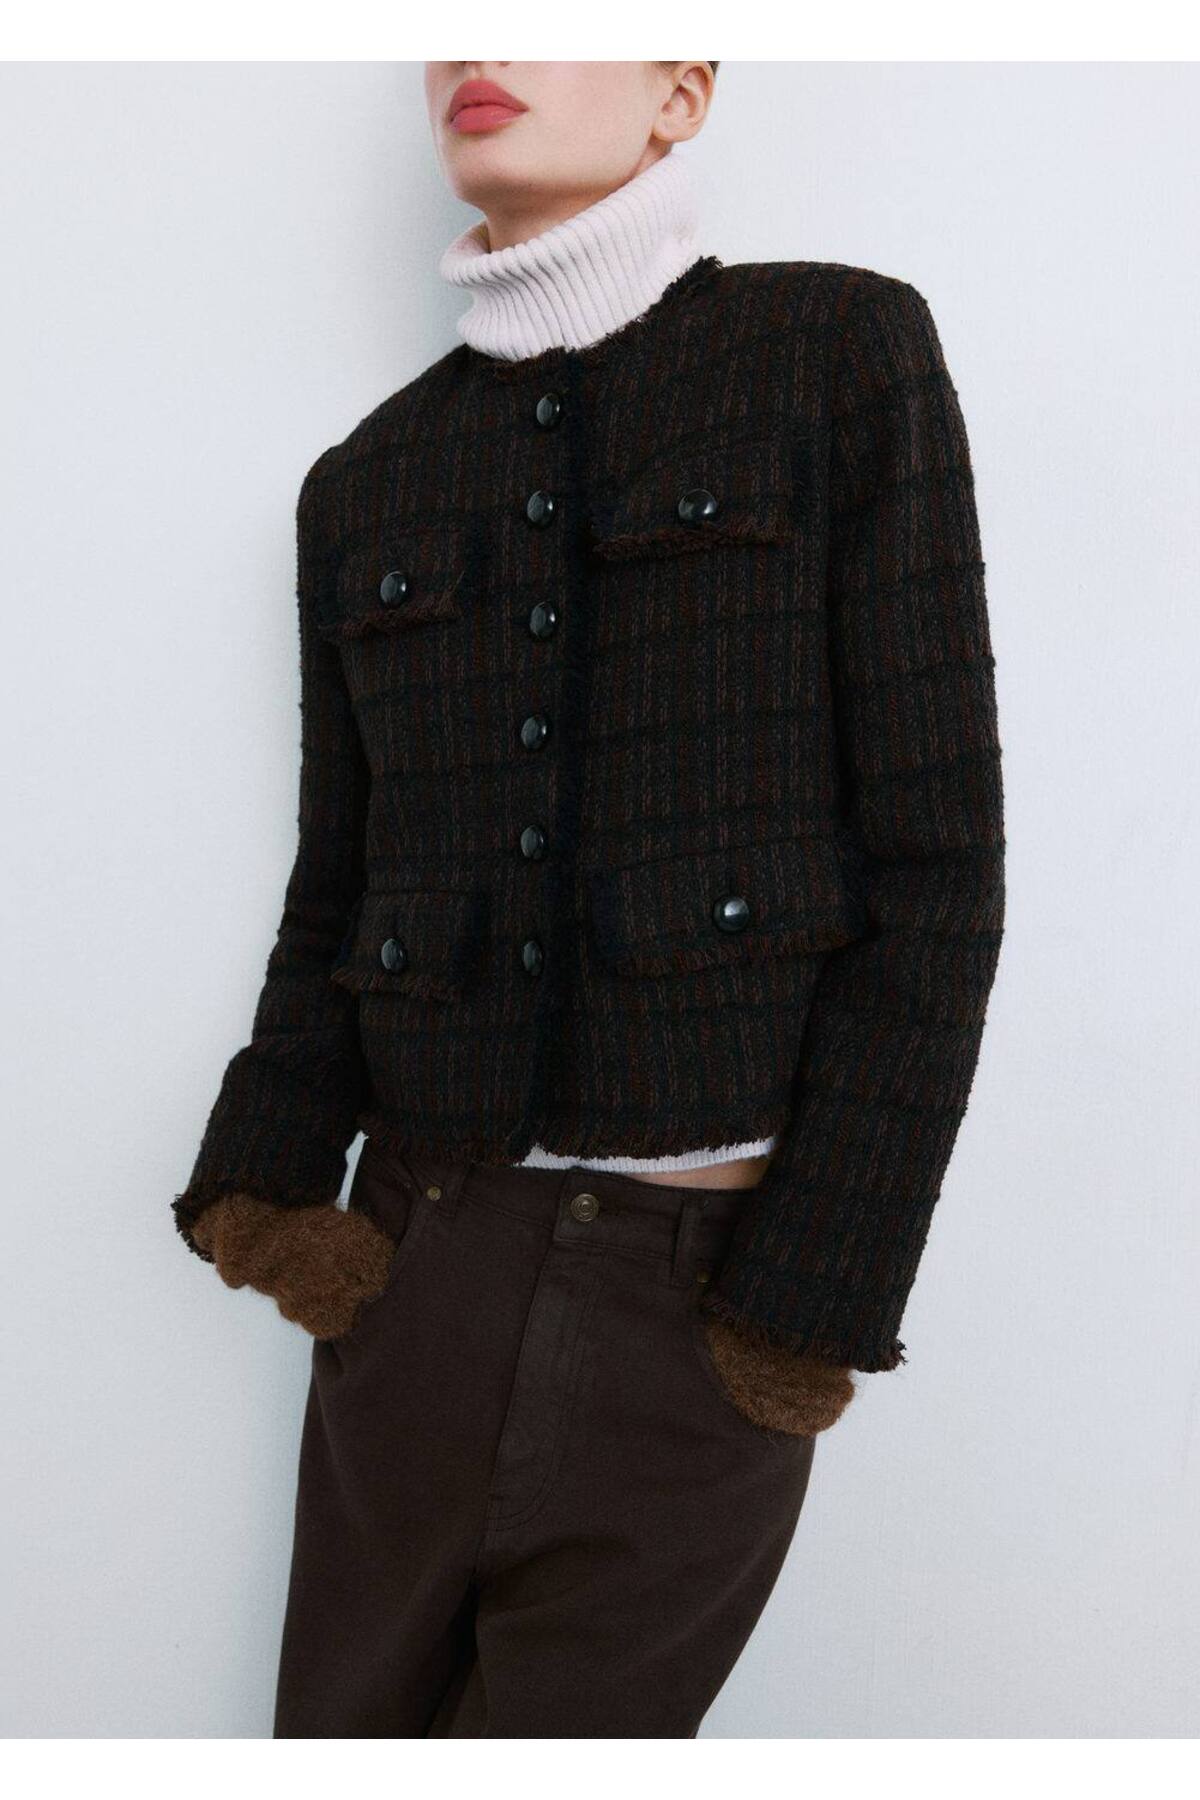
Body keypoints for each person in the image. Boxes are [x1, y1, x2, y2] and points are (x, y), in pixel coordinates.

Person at [175, 61, 1005, 1738]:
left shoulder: (837, 354)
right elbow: (336, 884)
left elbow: (940, 868)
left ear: (680, 92)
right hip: (416, 1270)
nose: (477, 49)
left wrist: (817, 1288)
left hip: (700, 1303)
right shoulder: (366, 479)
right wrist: (267, 1184)